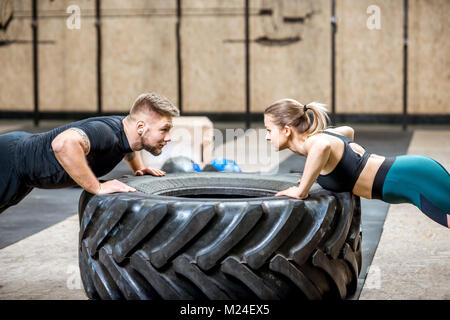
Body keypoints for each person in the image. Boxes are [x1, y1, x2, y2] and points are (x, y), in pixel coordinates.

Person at [264, 98, 450, 228]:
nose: (266, 137)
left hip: (412, 178)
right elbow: (347, 131)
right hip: (412, 172)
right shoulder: (319, 137)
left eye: (269, 130)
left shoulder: (315, 142)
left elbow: (322, 147)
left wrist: (302, 190)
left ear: (287, 130)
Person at [0, 92, 179, 214]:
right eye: (164, 129)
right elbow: (63, 144)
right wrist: (97, 187)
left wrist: (139, 168)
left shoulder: (126, 132)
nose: (168, 137)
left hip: (22, 167)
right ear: (141, 127)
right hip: (10, 160)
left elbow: (128, 148)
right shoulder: (105, 133)